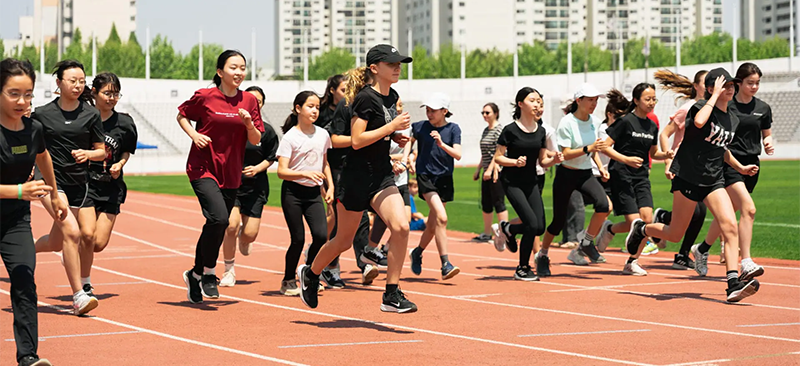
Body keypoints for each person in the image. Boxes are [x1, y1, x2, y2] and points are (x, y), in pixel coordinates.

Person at [624, 68, 761, 303]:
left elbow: (721, 148)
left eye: (731, 85)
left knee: (729, 226)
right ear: (710, 89)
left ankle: (732, 283)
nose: (730, 89)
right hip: (687, 177)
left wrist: (740, 168)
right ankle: (642, 230)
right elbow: (698, 123)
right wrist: (713, 97)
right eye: (724, 85)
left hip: (714, 179)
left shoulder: (733, 118)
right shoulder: (699, 108)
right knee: (675, 234)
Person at [297, 44, 416, 313]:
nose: (398, 67)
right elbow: (357, 140)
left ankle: (391, 293)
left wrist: (392, 136)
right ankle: (312, 273)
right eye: (392, 63)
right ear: (375, 68)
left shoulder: (391, 95)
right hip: (355, 179)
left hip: (382, 176)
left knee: (401, 227)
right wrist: (391, 127)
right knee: (343, 241)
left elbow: (375, 134)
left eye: (399, 63)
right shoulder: (365, 98)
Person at [177, 50, 264, 304]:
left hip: (231, 171)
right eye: (233, 67)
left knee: (217, 224)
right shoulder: (206, 96)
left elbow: (256, 139)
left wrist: (248, 124)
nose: (239, 72)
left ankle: (194, 273)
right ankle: (208, 272)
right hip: (202, 167)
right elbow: (182, 115)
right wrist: (194, 136)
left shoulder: (249, 100)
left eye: (242, 68)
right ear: (220, 71)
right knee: (219, 217)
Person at [0, 58, 62, 366]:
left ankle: (28, 356)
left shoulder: (34, 128)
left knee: (24, 281)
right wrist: (20, 191)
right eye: (13, 93)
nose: (22, 101)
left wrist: (55, 192)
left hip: (14, 221)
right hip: (15, 199)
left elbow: (43, 156)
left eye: (28, 94)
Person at [33, 60, 105, 315]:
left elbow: (101, 152)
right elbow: (31, 145)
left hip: (79, 183)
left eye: (81, 81)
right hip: (50, 182)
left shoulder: (91, 114)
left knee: (78, 237)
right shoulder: (42, 114)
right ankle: (79, 296)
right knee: (71, 233)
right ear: (58, 83)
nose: (77, 85)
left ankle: (22, 250)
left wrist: (88, 154)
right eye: (72, 80)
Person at [696, 62, 772, 277]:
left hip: (751, 164)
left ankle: (701, 249)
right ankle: (745, 261)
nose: (755, 87)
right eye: (750, 83)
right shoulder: (728, 106)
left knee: (729, 214)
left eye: (757, 83)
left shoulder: (763, 108)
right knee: (749, 208)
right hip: (728, 162)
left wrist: (768, 142)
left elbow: (767, 132)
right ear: (738, 83)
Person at [595, 85, 674, 276]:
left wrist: (666, 154)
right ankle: (631, 256)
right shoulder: (625, 122)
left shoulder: (652, 125)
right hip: (622, 174)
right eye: (647, 99)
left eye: (654, 99)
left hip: (641, 176)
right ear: (636, 100)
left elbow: (653, 152)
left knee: (646, 220)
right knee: (636, 223)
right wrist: (625, 159)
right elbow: (604, 147)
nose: (652, 103)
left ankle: (628, 256)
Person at [533, 84, 611, 276]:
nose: (594, 104)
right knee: (558, 222)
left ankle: (586, 242)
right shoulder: (567, 123)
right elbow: (566, 154)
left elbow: (594, 150)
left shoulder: (595, 121)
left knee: (604, 205)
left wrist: (601, 168)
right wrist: (588, 149)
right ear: (578, 101)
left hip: (585, 174)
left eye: (596, 100)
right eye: (590, 100)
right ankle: (542, 255)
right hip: (566, 174)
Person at [324, 67, 388, 287]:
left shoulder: (377, 103)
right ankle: (327, 267)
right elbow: (335, 139)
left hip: (369, 169)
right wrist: (358, 140)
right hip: (342, 168)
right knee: (342, 226)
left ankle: (366, 261)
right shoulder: (347, 105)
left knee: (363, 220)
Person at [492, 87, 563, 280]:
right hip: (512, 182)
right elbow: (498, 158)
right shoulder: (510, 130)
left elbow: (542, 161)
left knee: (539, 227)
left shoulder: (541, 131)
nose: (537, 104)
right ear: (521, 104)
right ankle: (522, 268)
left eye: (539, 101)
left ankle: (509, 229)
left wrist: (554, 160)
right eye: (533, 100)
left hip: (531, 182)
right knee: (531, 224)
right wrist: (514, 162)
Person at [83, 73, 139, 294]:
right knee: (87, 235)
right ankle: (83, 281)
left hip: (111, 187)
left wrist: (121, 164)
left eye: (116, 94)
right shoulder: (84, 118)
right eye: (107, 93)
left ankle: (76, 254)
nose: (112, 98)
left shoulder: (124, 122)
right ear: (95, 93)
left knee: (98, 243)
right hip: (85, 185)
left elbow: (125, 150)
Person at [219, 86, 278, 287]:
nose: (255, 103)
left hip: (256, 186)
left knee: (250, 234)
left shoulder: (267, 131)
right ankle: (228, 270)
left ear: (261, 104)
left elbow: (272, 157)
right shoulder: (232, 126)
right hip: (231, 184)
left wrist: (258, 168)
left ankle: (244, 240)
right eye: (251, 99)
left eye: (259, 101)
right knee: (231, 225)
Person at [277, 91, 332, 295]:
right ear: (298, 108)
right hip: (293, 192)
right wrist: (304, 173)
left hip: (313, 193)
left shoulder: (323, 134)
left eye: (317, 107)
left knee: (320, 235)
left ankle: (309, 274)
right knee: (298, 239)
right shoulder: (290, 137)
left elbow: (325, 163)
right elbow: (282, 172)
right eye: (310, 106)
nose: (315, 110)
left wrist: (330, 186)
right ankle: (288, 279)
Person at [653, 69, 709, 270]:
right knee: (697, 210)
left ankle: (664, 219)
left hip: (701, 168)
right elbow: (664, 134)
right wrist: (668, 161)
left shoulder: (711, 109)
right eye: (705, 83)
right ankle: (682, 253)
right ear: (696, 86)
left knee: (696, 213)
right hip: (682, 166)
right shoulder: (687, 109)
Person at [407, 92, 462, 280]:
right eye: (428, 110)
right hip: (426, 177)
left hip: (445, 179)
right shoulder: (420, 127)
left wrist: (441, 143)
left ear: (445, 111)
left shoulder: (453, 129)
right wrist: (410, 157)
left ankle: (417, 252)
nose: (429, 114)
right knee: (442, 217)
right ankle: (445, 263)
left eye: (433, 111)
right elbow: (409, 142)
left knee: (432, 225)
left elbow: (458, 154)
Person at [472, 102, 508, 243]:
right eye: (483, 113)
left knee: (498, 202)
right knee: (486, 202)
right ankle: (487, 233)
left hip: (497, 171)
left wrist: (490, 169)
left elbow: (498, 152)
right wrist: (478, 169)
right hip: (486, 170)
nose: (485, 115)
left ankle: (504, 234)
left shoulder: (500, 130)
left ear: (496, 113)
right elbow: (485, 153)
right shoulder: (486, 130)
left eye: (487, 112)